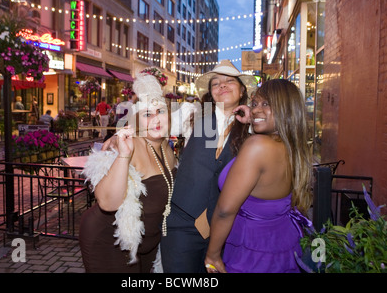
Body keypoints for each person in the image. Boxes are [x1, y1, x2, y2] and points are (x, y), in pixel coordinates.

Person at [204, 79, 313, 273]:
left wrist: (212, 255)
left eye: (266, 104)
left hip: (252, 255)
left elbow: (225, 210)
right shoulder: (291, 147)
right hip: (279, 244)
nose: (254, 110)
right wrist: (255, 122)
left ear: (286, 108)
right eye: (254, 104)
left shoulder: (258, 146)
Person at [160, 60, 256, 273]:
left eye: (229, 81)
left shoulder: (253, 128)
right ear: (210, 93)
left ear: (242, 91)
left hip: (227, 231)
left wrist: (252, 123)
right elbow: (151, 125)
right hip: (182, 225)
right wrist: (124, 135)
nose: (222, 86)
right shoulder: (191, 115)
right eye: (216, 83)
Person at [79, 70, 177, 273]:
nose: (156, 120)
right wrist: (123, 154)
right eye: (147, 114)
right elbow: (107, 203)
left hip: (147, 241)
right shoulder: (129, 146)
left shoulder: (166, 147)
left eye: (160, 112)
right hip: (111, 240)